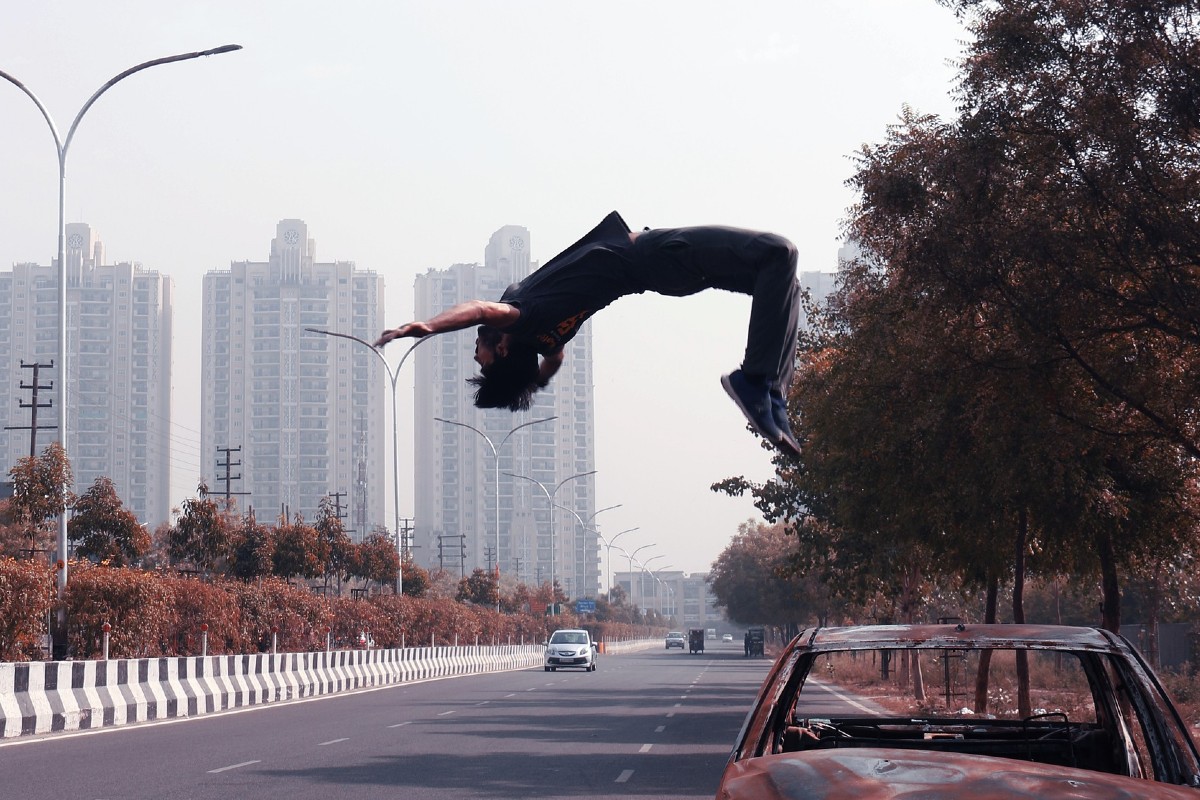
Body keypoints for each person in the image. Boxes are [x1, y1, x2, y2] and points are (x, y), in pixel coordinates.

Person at [375, 211, 801, 456]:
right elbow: (480, 311)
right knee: (780, 253)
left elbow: (552, 362)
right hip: (657, 256)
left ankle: (772, 392)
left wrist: (531, 381)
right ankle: (753, 379)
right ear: (503, 346)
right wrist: (428, 325)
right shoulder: (526, 319)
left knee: (782, 280)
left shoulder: (548, 341)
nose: (474, 351)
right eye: (481, 356)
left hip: (664, 274)